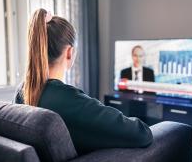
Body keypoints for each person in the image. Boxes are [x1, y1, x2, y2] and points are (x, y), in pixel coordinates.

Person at [14, 8, 153, 155]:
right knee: (175, 129)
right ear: (69, 52)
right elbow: (142, 134)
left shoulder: (22, 91)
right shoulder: (69, 99)